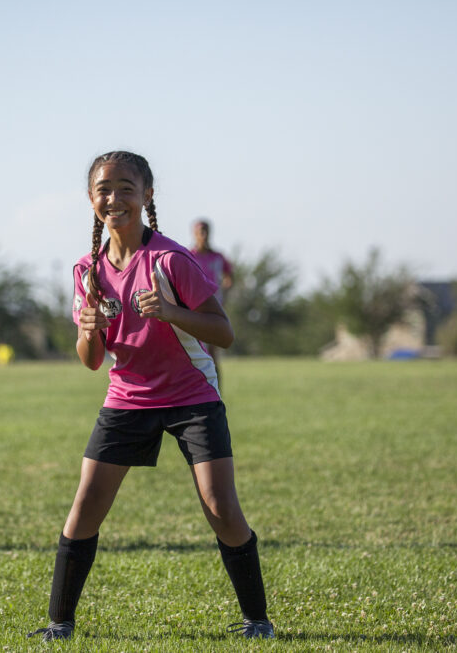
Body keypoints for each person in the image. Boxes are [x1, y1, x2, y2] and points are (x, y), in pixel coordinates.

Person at [28, 151, 273, 642]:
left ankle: (257, 621)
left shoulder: (170, 260)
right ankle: (59, 625)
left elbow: (223, 333)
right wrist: (88, 329)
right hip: (127, 398)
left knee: (221, 507)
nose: (113, 198)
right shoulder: (86, 271)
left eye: (125, 187)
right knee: (85, 507)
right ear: (91, 199)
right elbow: (92, 359)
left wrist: (170, 311)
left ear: (147, 195)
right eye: (104, 189)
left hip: (191, 397)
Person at [190, 219, 234, 378]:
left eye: (206, 231)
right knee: (195, 350)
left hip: (214, 308)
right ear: (194, 234)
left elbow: (230, 276)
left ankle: (217, 391)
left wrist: (225, 294)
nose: (204, 235)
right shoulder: (189, 256)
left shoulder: (218, 257)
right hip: (194, 309)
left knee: (214, 352)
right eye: (200, 231)